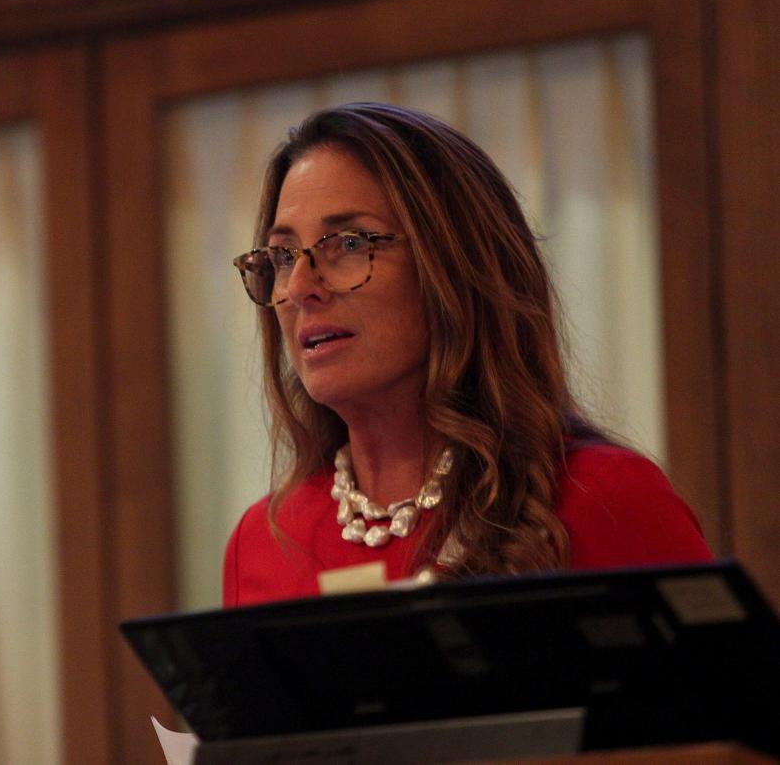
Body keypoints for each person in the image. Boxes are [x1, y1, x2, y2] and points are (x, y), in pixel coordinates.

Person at [223, 103, 711, 607]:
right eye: (282, 257)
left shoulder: (603, 499)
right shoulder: (263, 543)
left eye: (349, 243)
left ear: (456, 267)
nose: (300, 287)